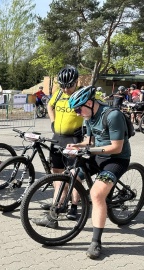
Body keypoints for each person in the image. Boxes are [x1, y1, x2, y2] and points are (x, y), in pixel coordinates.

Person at [66, 86, 131, 259]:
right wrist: (77, 146)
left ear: (88, 103)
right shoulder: (88, 116)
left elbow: (117, 147)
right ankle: (73, 208)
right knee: (73, 175)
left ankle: (96, 242)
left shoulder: (112, 115)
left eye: (79, 109)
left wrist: (92, 151)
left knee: (96, 194)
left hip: (117, 159)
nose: (78, 113)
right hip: (98, 155)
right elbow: (89, 140)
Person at [35, 65, 84, 223]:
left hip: (74, 139)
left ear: (76, 82)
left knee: (74, 175)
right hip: (58, 138)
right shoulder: (58, 94)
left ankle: (74, 206)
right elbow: (49, 105)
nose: (65, 89)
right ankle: (58, 203)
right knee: (57, 173)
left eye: (68, 85)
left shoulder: (82, 94)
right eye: (62, 85)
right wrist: (53, 121)